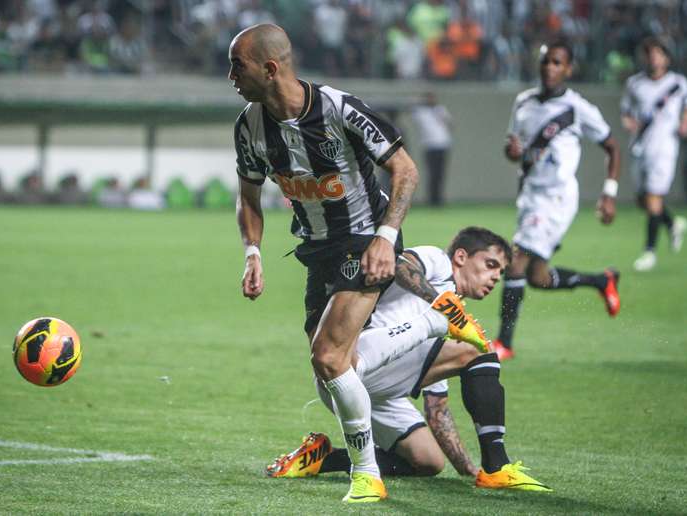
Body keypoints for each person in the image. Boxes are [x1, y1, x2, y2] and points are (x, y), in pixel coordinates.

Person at [231, 24, 485, 503]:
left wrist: (386, 238)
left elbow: (405, 169)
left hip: (364, 239)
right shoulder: (249, 126)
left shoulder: (338, 108)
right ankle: (433, 319)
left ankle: (367, 477)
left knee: (329, 356)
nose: (230, 76)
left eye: (237, 65)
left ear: (270, 68)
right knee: (333, 379)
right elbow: (248, 196)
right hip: (317, 253)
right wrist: (253, 253)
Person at [266, 227, 550, 491]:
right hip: (355, 360)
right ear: (461, 257)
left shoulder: (453, 323)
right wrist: (443, 307)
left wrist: (467, 470)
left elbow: (437, 411)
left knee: (427, 462)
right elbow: (399, 263)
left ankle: (323, 458)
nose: (495, 278)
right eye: (490, 265)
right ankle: (497, 466)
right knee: (480, 350)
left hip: (376, 386)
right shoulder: (439, 262)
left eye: (500, 273)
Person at [492, 40, 622, 362]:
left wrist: (609, 193)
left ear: (568, 68)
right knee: (537, 277)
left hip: (557, 198)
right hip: (529, 196)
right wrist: (512, 153)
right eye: (546, 61)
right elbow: (514, 148)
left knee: (516, 260)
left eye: (557, 62)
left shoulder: (578, 108)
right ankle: (601, 280)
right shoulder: (524, 102)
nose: (550, 67)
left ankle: (504, 343)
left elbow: (612, 147)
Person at [621, 37, 687, 272]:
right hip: (640, 148)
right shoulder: (635, 84)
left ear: (666, 57)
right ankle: (672, 223)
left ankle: (649, 252)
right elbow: (626, 111)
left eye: (657, 53)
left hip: (664, 149)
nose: (653, 58)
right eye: (649, 53)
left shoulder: (678, 83)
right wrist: (629, 122)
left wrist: (685, 123)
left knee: (652, 199)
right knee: (643, 201)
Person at [411, 91, 452, 206]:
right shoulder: (420, 111)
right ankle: (432, 199)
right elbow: (412, 106)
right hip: (429, 145)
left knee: (440, 174)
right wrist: (419, 101)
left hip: (442, 144)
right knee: (432, 173)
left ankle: (438, 198)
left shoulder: (440, 110)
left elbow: (450, 123)